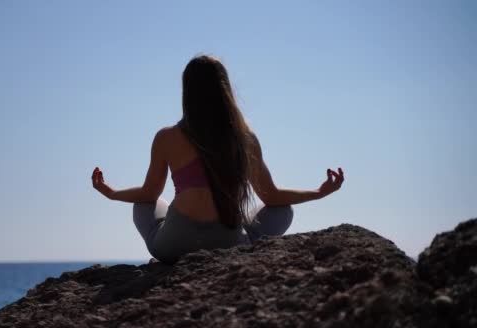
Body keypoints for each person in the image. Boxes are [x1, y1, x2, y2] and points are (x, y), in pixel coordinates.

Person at [91, 55, 344, 264]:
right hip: (228, 243)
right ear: (225, 90)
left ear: (187, 92)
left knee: (146, 204)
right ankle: (247, 241)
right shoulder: (245, 139)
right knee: (282, 211)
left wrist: (111, 193)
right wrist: (318, 192)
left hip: (172, 246)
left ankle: (171, 252)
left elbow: (148, 193)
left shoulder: (167, 137)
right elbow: (272, 198)